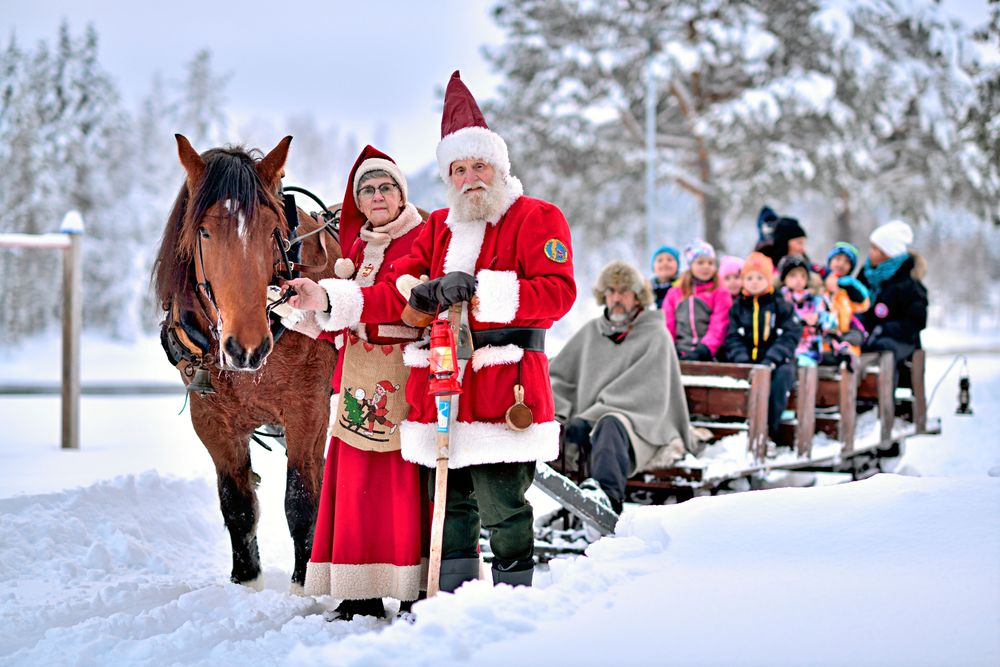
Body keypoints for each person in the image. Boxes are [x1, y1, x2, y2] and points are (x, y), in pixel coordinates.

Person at [293, 71, 575, 590]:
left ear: (498, 166)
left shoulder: (537, 217)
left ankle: (516, 600)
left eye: (479, 165)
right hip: (442, 384)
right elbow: (394, 298)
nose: (470, 177)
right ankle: (455, 601)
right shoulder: (439, 225)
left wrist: (481, 293)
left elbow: (559, 295)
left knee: (503, 504)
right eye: (459, 168)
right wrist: (329, 297)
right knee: (450, 504)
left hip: (503, 379)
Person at [282, 147, 427, 620]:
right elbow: (348, 319)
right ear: (358, 202)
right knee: (354, 484)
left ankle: (410, 586)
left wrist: (327, 294)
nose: (378, 195)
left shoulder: (423, 237)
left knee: (397, 485)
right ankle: (360, 589)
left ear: (402, 194)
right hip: (358, 373)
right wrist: (298, 311)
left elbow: (392, 300)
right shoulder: (361, 248)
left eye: (387, 187)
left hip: (401, 376)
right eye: (368, 189)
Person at [549, 261, 692, 514]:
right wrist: (559, 409)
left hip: (640, 425)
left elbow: (648, 390)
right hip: (590, 419)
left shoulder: (655, 334)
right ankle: (560, 504)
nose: (616, 298)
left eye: (623, 291)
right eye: (611, 291)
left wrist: (593, 415)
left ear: (637, 297)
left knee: (610, 425)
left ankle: (607, 503)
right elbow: (560, 375)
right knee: (559, 428)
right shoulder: (592, 331)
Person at [724, 252, 803, 444]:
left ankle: (768, 430)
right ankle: (738, 429)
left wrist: (771, 359)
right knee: (733, 379)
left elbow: (790, 334)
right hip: (746, 361)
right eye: (749, 278)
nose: (754, 282)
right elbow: (732, 336)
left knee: (781, 380)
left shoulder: (780, 305)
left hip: (775, 362)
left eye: (759, 277)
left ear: (768, 279)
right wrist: (741, 359)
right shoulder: (738, 308)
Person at [857, 220, 928, 383]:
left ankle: (884, 401)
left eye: (875, 249)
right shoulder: (867, 274)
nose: (870, 253)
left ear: (887, 253)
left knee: (885, 349)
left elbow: (917, 320)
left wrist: (884, 329)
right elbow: (858, 304)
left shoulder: (908, 283)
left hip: (900, 341)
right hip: (870, 336)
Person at [663, 240, 732, 361]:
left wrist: (705, 349)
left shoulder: (720, 293)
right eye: (700, 263)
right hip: (679, 351)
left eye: (710, 263)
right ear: (690, 266)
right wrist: (669, 348)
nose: (706, 267)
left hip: (710, 353)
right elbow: (668, 324)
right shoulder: (675, 293)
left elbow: (719, 324)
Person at [778, 255, 835, 367]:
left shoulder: (816, 299)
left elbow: (831, 321)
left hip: (811, 350)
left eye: (803, 276)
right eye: (793, 276)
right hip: (786, 348)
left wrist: (819, 319)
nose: (798, 280)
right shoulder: (779, 300)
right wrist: (800, 320)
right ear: (784, 279)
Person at [821, 242, 870, 364]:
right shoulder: (818, 288)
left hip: (843, 343)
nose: (841, 264)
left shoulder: (848, 293)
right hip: (822, 345)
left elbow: (862, 306)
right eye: (838, 259)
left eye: (846, 262)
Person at [650, 245, 680, 309]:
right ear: (653, 267)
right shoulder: (649, 289)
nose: (665, 263)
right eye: (660, 260)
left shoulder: (682, 285)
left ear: (677, 265)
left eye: (669, 260)